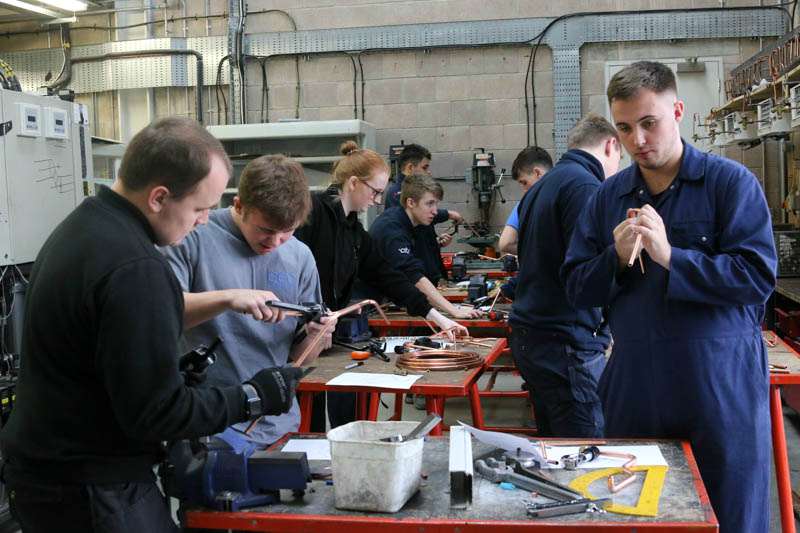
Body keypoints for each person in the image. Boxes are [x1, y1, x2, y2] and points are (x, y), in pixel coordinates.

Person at [0, 117, 302, 533]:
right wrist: (254, 395)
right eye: (199, 208)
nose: (203, 221)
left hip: (51, 473)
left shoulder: (84, 228)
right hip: (93, 488)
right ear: (159, 197)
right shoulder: (134, 267)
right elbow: (158, 414)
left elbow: (102, 357)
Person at [562, 61, 776, 533]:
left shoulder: (729, 185)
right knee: (636, 508)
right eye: (624, 128)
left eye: (648, 122)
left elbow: (757, 276)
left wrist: (672, 257)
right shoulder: (607, 198)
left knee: (730, 510)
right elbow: (576, 286)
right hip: (638, 381)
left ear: (677, 110)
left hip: (718, 384)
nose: (637, 139)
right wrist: (614, 259)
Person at [162, 154, 334, 447]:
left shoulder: (300, 256)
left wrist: (318, 336)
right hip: (210, 425)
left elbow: (299, 355)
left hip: (278, 425)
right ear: (239, 205)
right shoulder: (192, 237)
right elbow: (161, 315)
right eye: (266, 230)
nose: (275, 242)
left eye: (288, 231)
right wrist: (228, 298)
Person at [295, 141, 467, 429]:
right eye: (375, 192)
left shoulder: (355, 233)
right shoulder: (312, 213)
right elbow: (290, 270)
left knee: (338, 405)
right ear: (352, 183)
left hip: (327, 333)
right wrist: (307, 319)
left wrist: (438, 319)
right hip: (299, 334)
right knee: (304, 413)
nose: (377, 200)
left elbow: (390, 276)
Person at [509, 114, 621, 438]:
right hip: (565, 344)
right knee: (586, 453)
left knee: (558, 451)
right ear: (611, 145)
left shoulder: (541, 186)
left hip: (533, 338)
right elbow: (587, 273)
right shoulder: (586, 186)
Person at [370, 174, 482, 320]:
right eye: (429, 204)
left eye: (436, 204)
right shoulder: (392, 229)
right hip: (370, 307)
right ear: (411, 202)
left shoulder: (408, 222)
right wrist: (453, 310)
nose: (435, 211)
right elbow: (414, 276)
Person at [384, 143, 463, 245]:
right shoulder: (397, 194)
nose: (428, 172)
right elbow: (415, 220)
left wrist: (436, 241)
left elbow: (421, 231)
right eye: (424, 168)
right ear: (410, 168)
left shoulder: (414, 189)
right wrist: (447, 214)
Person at [498, 146, 553, 255]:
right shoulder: (570, 196)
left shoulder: (525, 205)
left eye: (524, 182)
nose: (524, 190)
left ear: (537, 173)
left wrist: (536, 253)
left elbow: (505, 243)